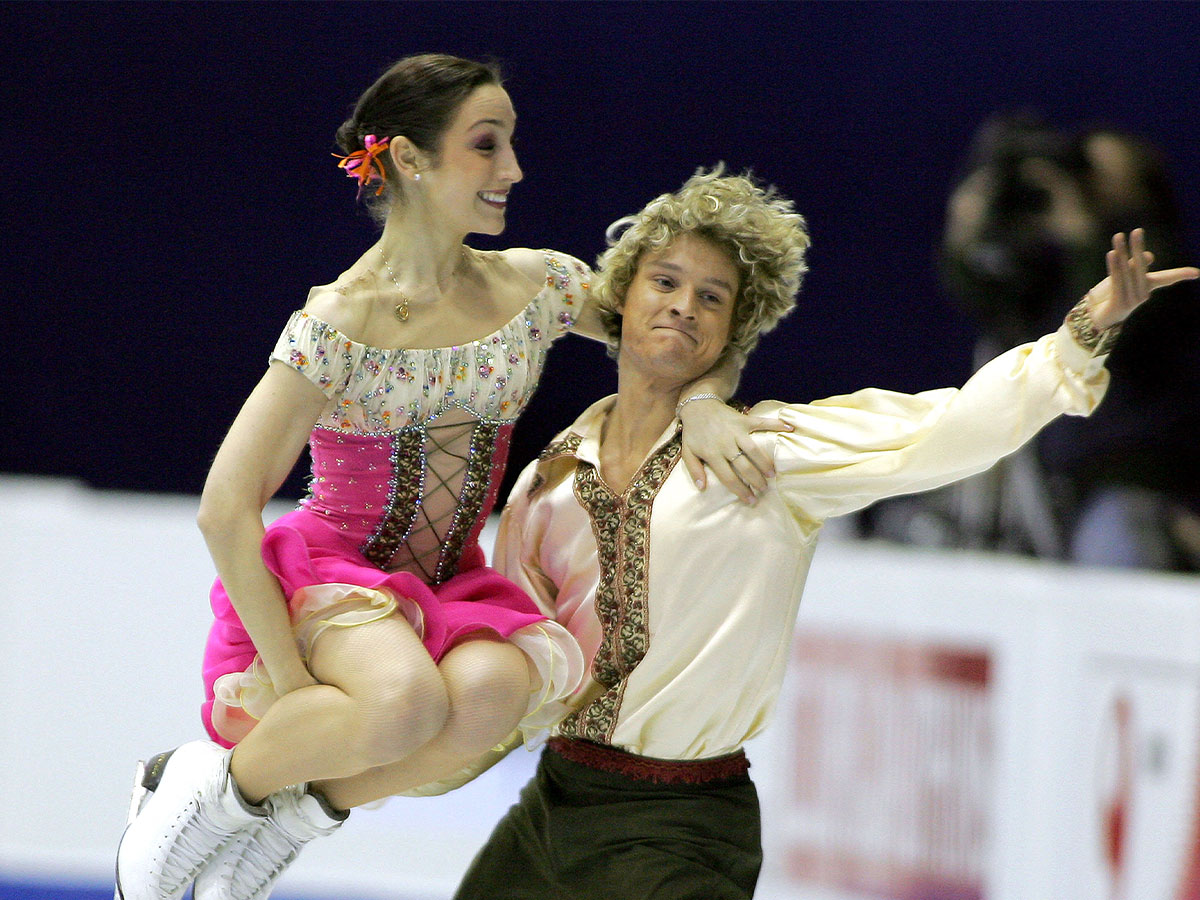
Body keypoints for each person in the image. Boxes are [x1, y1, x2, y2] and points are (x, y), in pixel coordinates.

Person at [113, 55, 775, 900]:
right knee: (408, 703)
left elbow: (671, 338)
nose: (514, 170)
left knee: (495, 692)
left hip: (445, 587)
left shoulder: (537, 285)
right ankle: (199, 788)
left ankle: (284, 818)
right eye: (487, 146)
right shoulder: (338, 321)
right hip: (332, 579)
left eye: (510, 145)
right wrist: (288, 681)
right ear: (413, 161)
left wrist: (710, 403)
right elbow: (224, 508)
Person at [451, 167, 1198, 899]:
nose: (684, 307)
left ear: (733, 332)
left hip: (678, 827)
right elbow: (519, 657)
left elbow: (953, 427)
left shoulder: (771, 454)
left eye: (712, 297)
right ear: (621, 296)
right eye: (666, 282)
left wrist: (1081, 333)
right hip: (555, 804)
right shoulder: (549, 479)